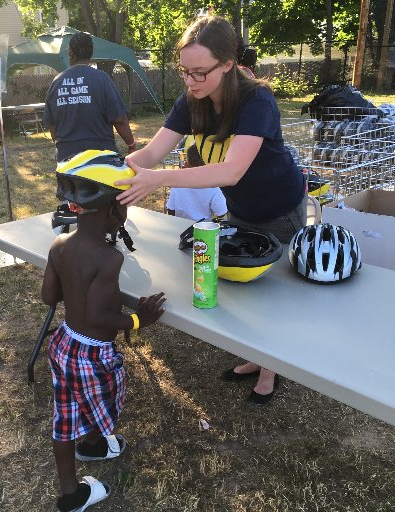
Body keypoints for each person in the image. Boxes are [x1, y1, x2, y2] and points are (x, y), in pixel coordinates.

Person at [115, 15, 306, 405]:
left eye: (200, 73)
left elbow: (232, 170)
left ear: (229, 64)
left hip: (279, 208)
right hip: (239, 210)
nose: (190, 82)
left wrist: (158, 178)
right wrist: (110, 172)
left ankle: (270, 368)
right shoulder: (192, 100)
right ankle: (258, 357)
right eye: (184, 72)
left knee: (272, 293)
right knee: (242, 286)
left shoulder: (257, 100)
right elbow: (152, 151)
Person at [42, 150, 166, 512]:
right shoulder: (109, 258)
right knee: (103, 405)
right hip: (94, 353)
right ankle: (94, 443)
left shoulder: (60, 244)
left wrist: (74, 284)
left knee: (64, 414)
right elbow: (99, 315)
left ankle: (75, 480)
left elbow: (48, 295)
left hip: (63, 343)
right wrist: (139, 320)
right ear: (114, 211)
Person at [43, 31, 137, 162]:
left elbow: (52, 126)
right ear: (90, 54)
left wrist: (66, 147)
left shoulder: (56, 82)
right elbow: (119, 119)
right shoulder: (102, 79)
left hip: (67, 162)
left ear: (71, 53)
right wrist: (131, 145)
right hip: (101, 158)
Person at [166, 142, 227, 221]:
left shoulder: (177, 184)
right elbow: (222, 214)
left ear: (186, 164)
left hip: (180, 227)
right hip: (203, 230)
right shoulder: (213, 188)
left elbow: (171, 210)